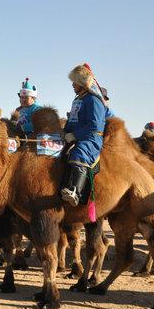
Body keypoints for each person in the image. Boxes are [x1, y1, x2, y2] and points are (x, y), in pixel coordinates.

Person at [61, 63, 107, 207]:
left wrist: (75, 136)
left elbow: (95, 125)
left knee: (79, 152)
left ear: (82, 82)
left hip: (91, 137)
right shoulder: (77, 100)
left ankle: (75, 191)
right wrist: (64, 132)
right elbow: (72, 120)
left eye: (74, 82)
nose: (72, 85)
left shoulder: (93, 100)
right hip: (74, 134)